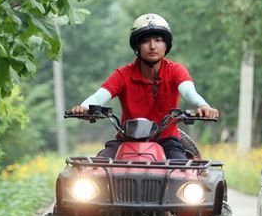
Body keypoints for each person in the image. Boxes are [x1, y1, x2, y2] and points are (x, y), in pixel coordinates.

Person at [71, 13, 219, 159]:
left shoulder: (175, 70)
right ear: (137, 46)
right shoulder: (123, 74)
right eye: (146, 41)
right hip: (126, 140)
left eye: (158, 40)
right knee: (98, 168)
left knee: (182, 174)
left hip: (167, 141)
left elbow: (188, 92)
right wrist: (84, 107)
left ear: (166, 45)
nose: (153, 46)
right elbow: (99, 96)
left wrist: (203, 105)